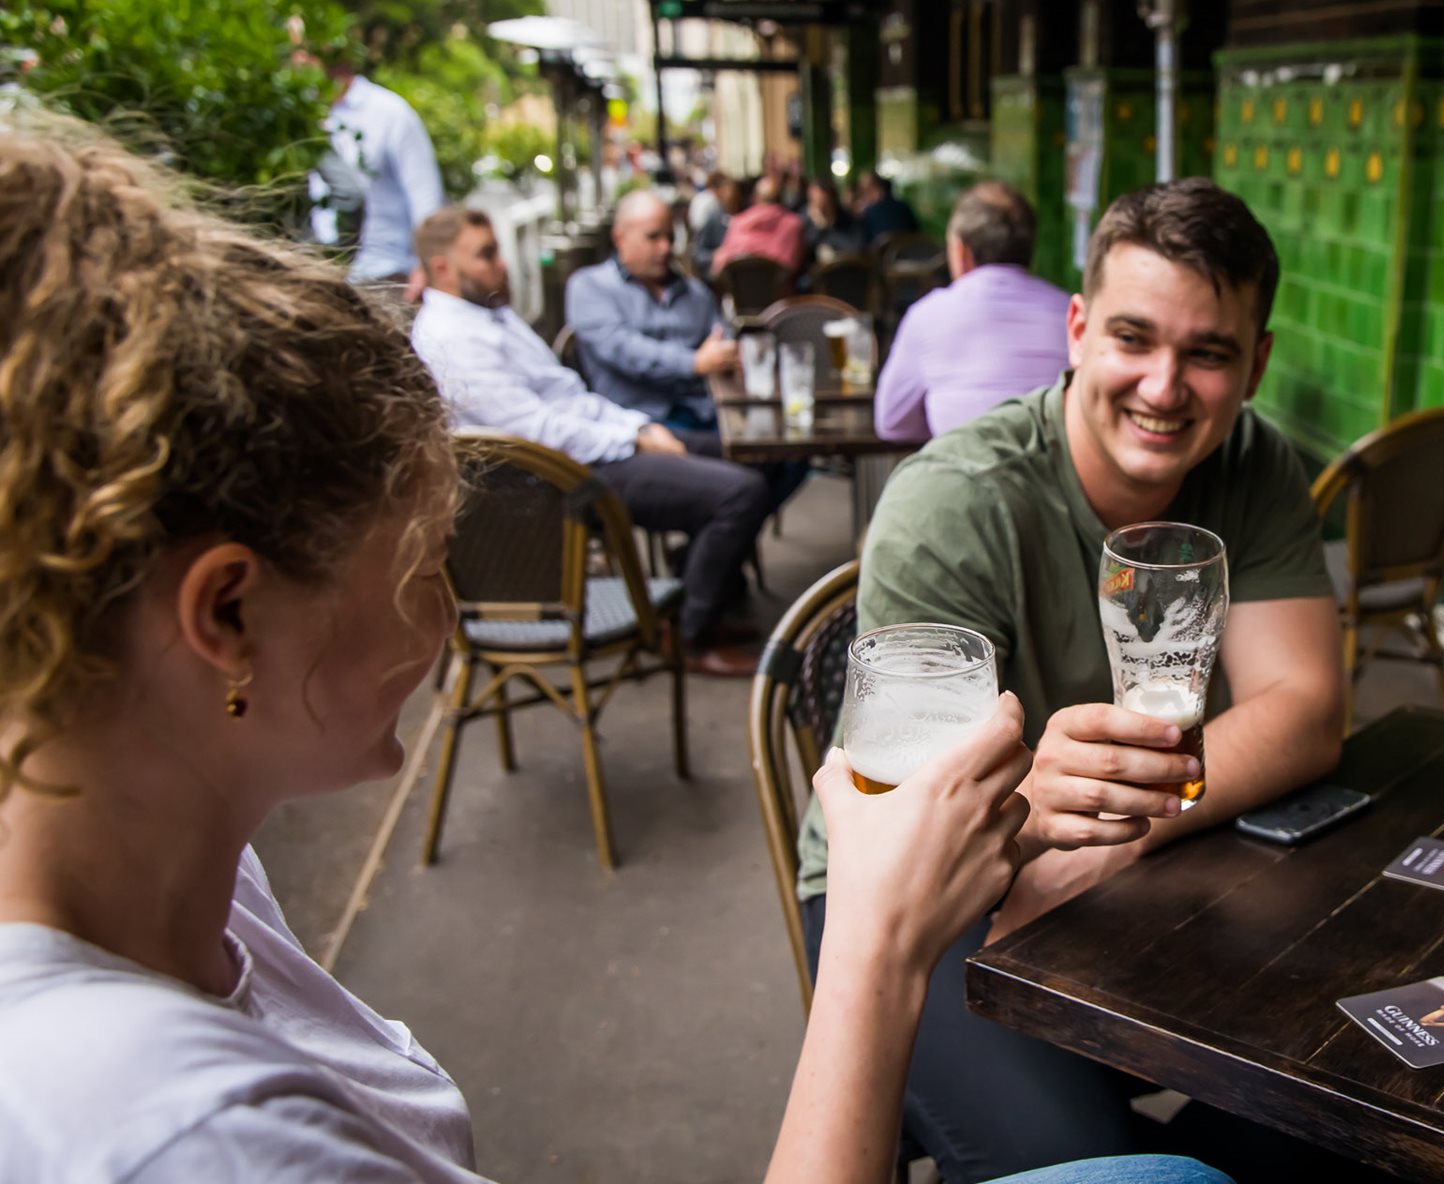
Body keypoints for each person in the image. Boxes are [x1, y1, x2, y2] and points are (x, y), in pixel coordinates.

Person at [0, 122, 1230, 1184]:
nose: (446, 597)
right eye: (425, 552)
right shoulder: (189, 1137)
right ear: (226, 616)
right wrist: (873, 941)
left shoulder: (193, 877)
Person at [794, 178, 1346, 1181]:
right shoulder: (953, 503)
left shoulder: (1254, 464)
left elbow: (1305, 709)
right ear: (1079, 327)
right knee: (1091, 1162)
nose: (1164, 385)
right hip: (913, 892)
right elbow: (916, 818)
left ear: (1256, 362)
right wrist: (1040, 806)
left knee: (1346, 1107)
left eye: (1208, 352)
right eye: (1134, 337)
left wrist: (1122, 826)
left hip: (1141, 863)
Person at [409, 206, 770, 677]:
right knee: (740, 493)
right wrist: (632, 438)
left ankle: (699, 596)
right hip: (556, 485)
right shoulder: (452, 337)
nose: (502, 264)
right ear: (442, 268)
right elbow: (537, 431)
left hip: (583, 449)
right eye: (487, 254)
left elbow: (567, 394)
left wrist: (636, 428)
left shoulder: (487, 313)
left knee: (753, 456)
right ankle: (688, 637)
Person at [567, 191, 809, 509]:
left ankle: (722, 536)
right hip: (642, 422)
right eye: (653, 237)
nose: (665, 248)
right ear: (619, 238)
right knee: (745, 484)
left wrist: (728, 355)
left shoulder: (694, 292)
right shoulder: (590, 287)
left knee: (794, 452)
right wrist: (694, 362)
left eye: (669, 237)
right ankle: (725, 528)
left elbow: (721, 340)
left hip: (707, 413)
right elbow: (625, 350)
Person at [874, 181, 1071, 441]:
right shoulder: (1071, 312)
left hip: (964, 474)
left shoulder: (927, 316)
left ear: (961, 252)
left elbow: (892, 424)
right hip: (1057, 478)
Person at [307, 63, 444, 287]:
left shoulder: (389, 111)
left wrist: (427, 269)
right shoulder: (305, 114)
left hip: (388, 276)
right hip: (328, 277)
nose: (297, 60)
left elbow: (426, 198)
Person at [712, 174, 809, 276]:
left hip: (740, 290)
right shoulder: (794, 225)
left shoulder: (738, 223)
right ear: (781, 199)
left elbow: (720, 266)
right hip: (781, 290)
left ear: (755, 198)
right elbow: (793, 265)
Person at [692, 175, 742, 280]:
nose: (732, 195)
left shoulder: (746, 218)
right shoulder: (713, 219)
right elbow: (698, 255)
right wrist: (715, 255)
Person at [803, 178, 864, 261]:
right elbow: (806, 253)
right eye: (813, 200)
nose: (820, 206)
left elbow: (855, 248)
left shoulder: (848, 219)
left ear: (831, 198)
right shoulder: (806, 221)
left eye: (823, 200)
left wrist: (828, 227)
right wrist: (820, 226)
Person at [855, 170, 919, 246]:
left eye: (865, 190)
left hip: (882, 256)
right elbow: (917, 233)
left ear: (876, 189)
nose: (863, 195)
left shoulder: (869, 213)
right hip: (912, 254)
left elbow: (863, 244)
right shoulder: (904, 206)